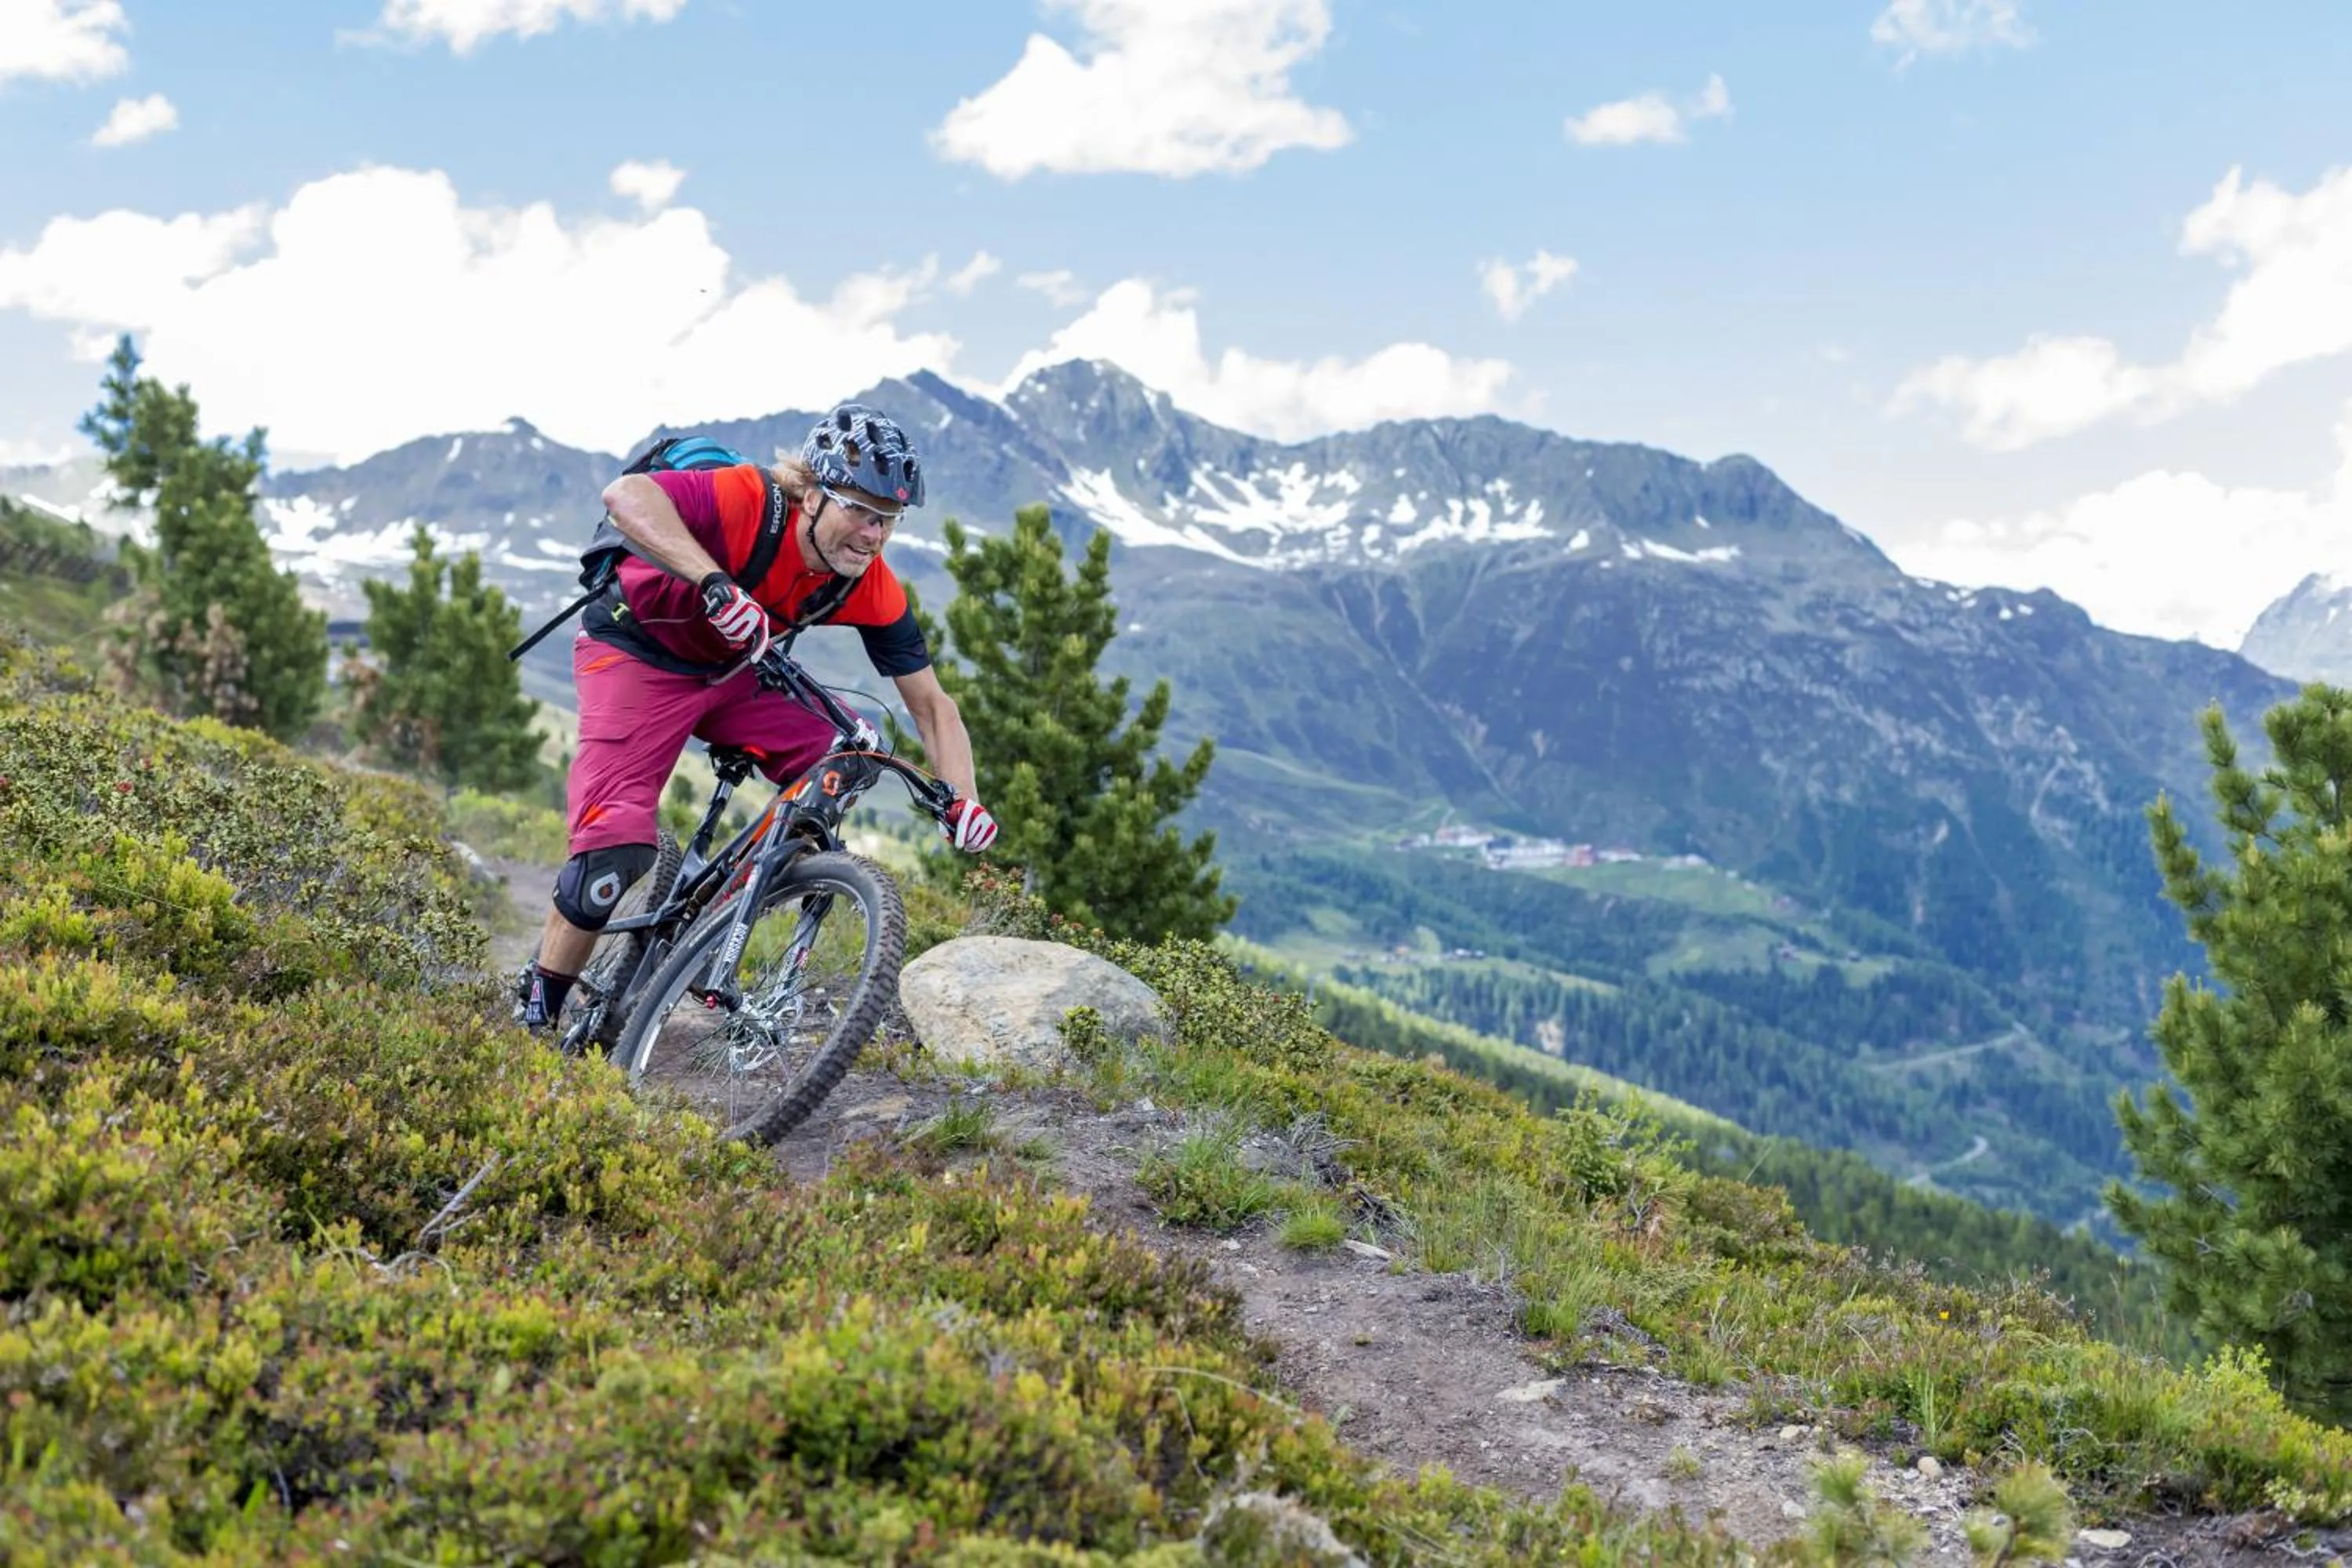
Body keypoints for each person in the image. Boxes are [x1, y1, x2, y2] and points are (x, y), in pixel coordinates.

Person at [514, 402, 996, 1030]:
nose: (873, 535)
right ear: (812, 494)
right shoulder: (750, 499)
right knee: (610, 856)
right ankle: (539, 1011)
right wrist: (714, 582)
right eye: (859, 509)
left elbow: (932, 704)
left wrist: (962, 798)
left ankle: (722, 911)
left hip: (733, 675)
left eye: (889, 519)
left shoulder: (867, 581)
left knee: (850, 753)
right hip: (636, 656)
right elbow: (627, 495)